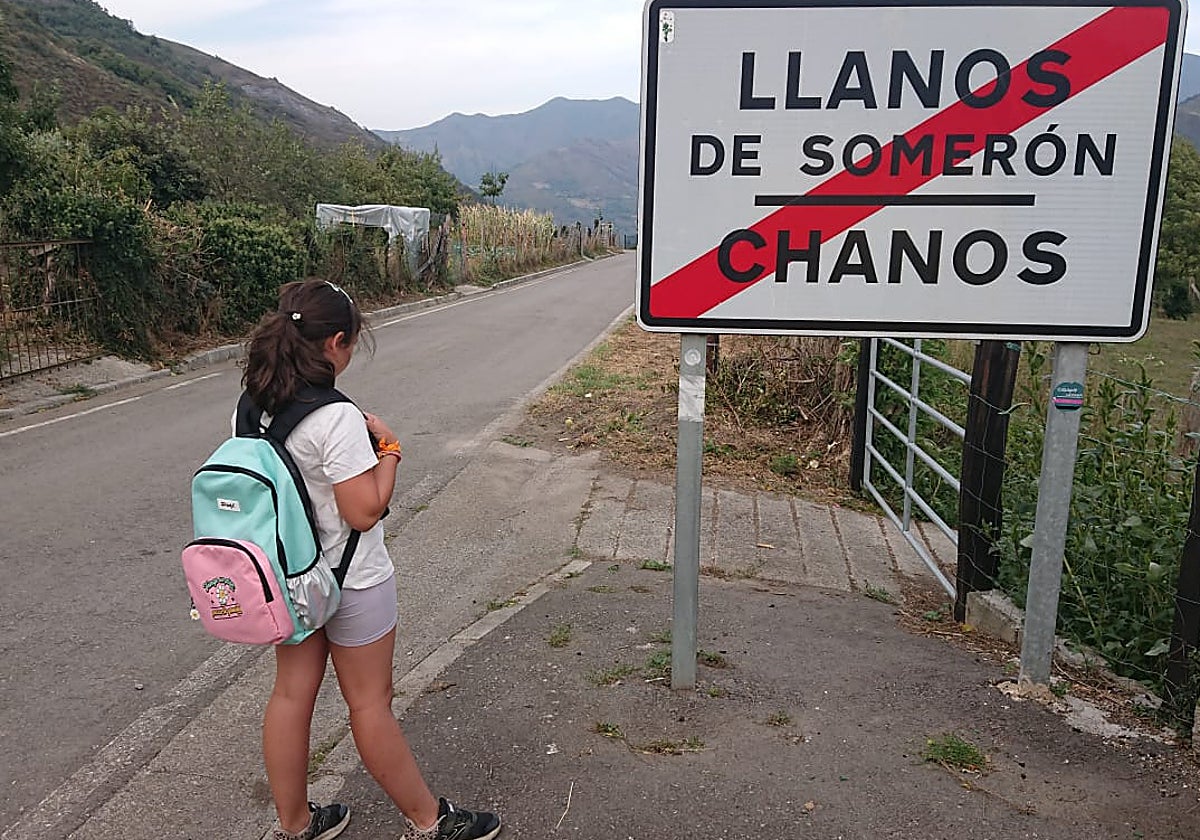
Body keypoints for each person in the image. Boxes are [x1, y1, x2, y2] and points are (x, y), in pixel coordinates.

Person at [240, 278, 502, 840]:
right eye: (352, 343)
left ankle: (295, 825)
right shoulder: (334, 417)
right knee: (370, 704)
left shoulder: (256, 400)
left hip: (288, 577)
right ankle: (430, 824)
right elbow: (363, 511)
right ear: (335, 342)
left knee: (290, 696)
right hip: (348, 579)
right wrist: (390, 451)